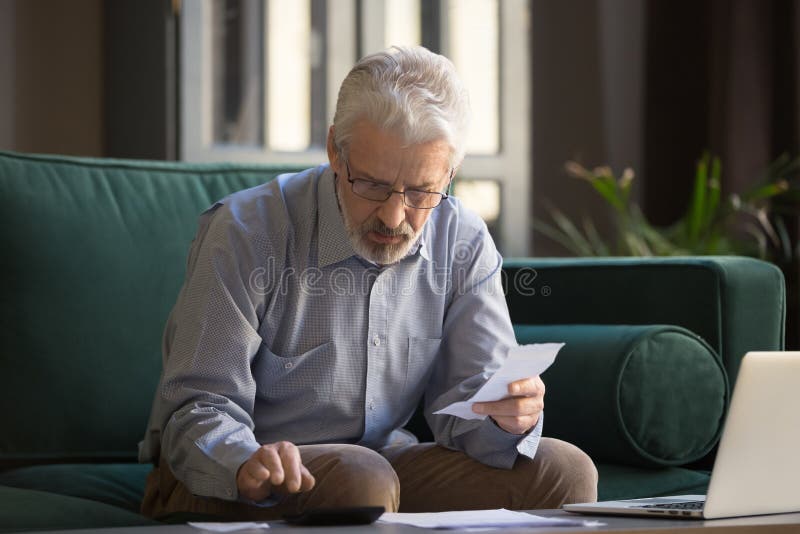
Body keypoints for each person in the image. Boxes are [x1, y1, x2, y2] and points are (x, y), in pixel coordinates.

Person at [139, 45, 597, 520]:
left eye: (421, 191)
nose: (395, 215)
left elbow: (471, 409)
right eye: (373, 184)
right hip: (230, 475)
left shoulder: (461, 238)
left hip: (379, 469)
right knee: (363, 480)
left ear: (450, 173)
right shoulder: (247, 231)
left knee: (565, 471)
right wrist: (242, 459)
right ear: (336, 151)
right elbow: (197, 407)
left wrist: (506, 419)